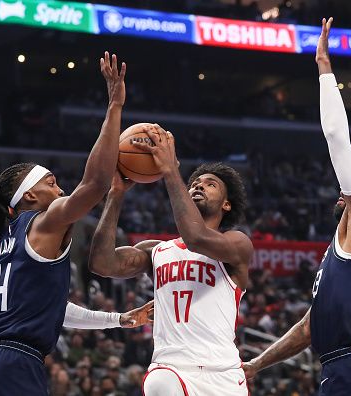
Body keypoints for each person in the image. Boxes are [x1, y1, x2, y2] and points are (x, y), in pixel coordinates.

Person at [0, 52, 153, 396]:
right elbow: (93, 185)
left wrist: (118, 319)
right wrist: (114, 107)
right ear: (29, 197)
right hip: (11, 365)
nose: (59, 190)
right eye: (50, 182)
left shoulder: (11, 235)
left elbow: (54, 310)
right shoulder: (45, 221)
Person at [242, 18, 351, 395]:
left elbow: (335, 136)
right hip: (347, 366)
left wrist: (324, 69)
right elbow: (307, 330)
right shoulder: (342, 252)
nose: (345, 189)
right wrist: (256, 364)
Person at [89, 124, 253, 396]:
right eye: (195, 183)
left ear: (226, 204)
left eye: (210, 184)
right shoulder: (156, 251)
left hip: (224, 375)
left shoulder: (236, 244)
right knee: (161, 384)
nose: (199, 185)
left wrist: (170, 170)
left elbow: (196, 239)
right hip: (171, 367)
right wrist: (116, 195)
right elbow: (102, 264)